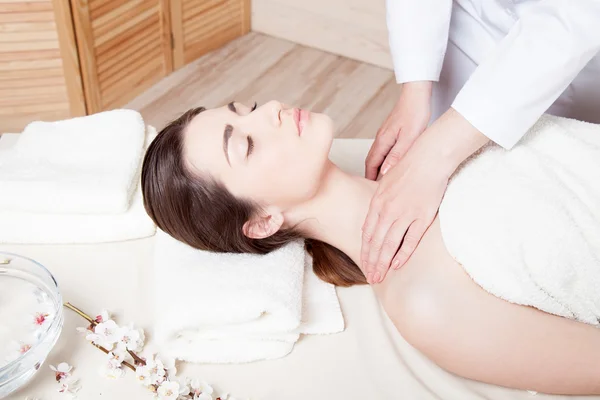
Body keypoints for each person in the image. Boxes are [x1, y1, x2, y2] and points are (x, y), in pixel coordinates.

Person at [141, 101, 600, 395]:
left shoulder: (437, 140)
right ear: (262, 222)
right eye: (246, 143)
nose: (272, 112)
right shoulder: (425, 302)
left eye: (249, 107)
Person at [361, 0, 600, 285]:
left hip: (574, 59)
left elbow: (573, 20)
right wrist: (415, 88)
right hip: (470, 24)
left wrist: (433, 156)